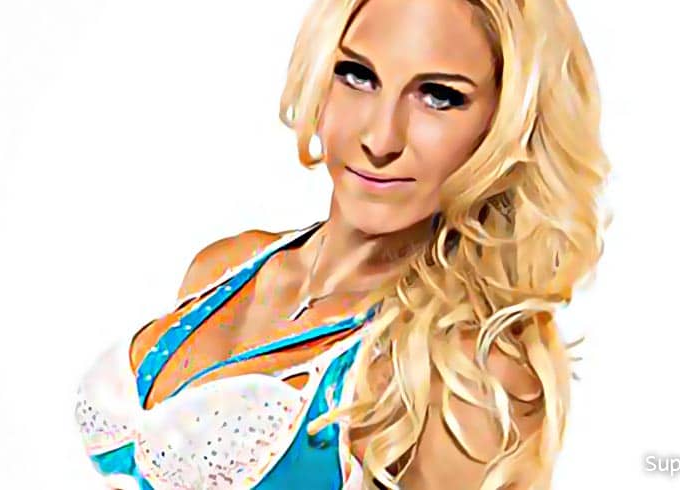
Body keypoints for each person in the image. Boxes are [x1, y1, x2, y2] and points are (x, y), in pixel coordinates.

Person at [73, 0, 610, 488]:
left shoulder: (464, 371)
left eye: (439, 97)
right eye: (358, 75)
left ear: (506, 124)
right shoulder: (223, 267)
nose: (380, 139)